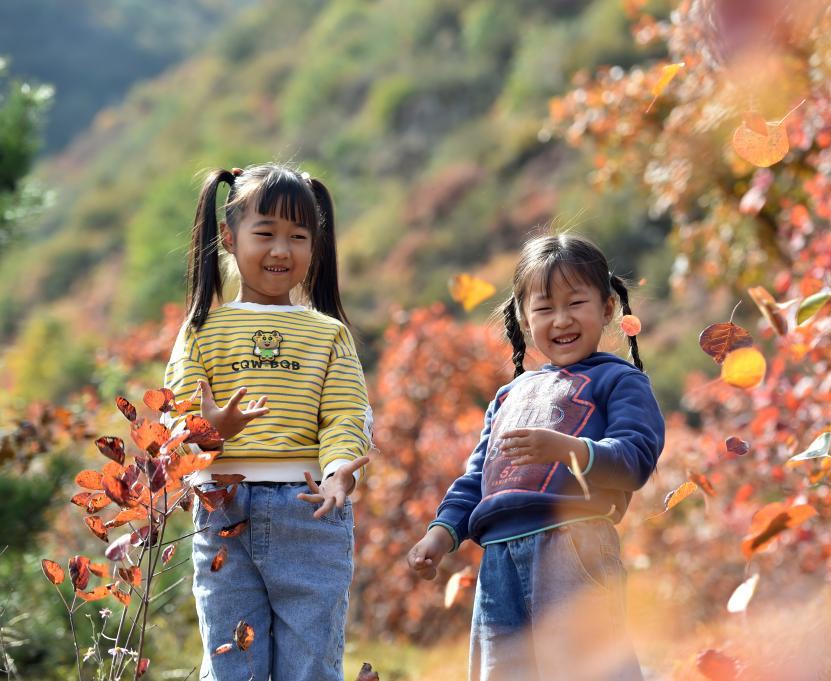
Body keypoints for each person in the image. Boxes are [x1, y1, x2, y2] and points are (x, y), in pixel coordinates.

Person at [407, 234, 665, 681]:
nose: (561, 320)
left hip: (573, 547)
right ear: (525, 318)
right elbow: (476, 479)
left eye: (576, 303)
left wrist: (567, 450)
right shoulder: (508, 396)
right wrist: (440, 534)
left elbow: (635, 457)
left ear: (607, 308)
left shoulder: (619, 381)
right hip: (497, 561)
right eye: (544, 308)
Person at [163, 163, 372, 680]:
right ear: (229, 237)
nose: (281, 250)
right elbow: (179, 416)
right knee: (232, 664)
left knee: (311, 663)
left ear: (315, 246)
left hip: (309, 508)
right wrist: (211, 431)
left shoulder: (328, 334)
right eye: (266, 234)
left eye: (298, 237)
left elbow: (345, 414)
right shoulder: (201, 330)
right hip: (223, 507)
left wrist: (340, 470)